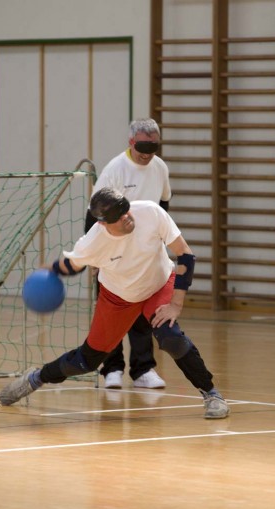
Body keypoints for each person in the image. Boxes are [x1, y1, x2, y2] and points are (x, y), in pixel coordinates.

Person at [0, 188, 230, 419]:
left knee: (170, 337)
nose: (126, 217)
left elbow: (185, 255)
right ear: (102, 223)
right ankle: (36, 378)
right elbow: (73, 265)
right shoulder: (92, 243)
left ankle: (212, 394)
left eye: (126, 210)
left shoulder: (150, 212)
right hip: (118, 296)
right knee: (86, 361)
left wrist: (176, 304)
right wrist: (52, 269)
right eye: (118, 218)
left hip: (159, 284)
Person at [84, 118, 171, 390]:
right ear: (131, 143)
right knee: (111, 312)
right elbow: (94, 214)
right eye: (142, 146)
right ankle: (111, 369)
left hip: (145, 254)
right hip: (114, 252)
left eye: (153, 147)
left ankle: (143, 369)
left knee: (143, 313)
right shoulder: (115, 170)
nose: (147, 153)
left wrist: (163, 242)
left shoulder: (159, 168)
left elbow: (164, 205)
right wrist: (94, 256)